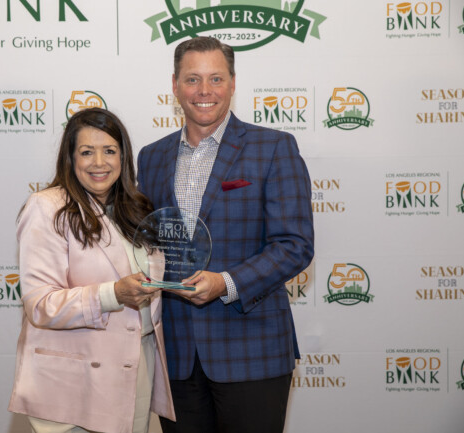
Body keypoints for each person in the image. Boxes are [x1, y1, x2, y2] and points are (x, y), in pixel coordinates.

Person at [137, 37, 314, 433]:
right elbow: (144, 242)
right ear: (174, 84)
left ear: (233, 83)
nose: (204, 91)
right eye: (193, 79)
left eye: (216, 78)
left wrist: (226, 283)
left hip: (252, 348)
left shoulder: (273, 148)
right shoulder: (152, 156)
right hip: (176, 354)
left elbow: (294, 245)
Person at [9, 107, 175, 433]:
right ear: (70, 159)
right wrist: (112, 294)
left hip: (137, 366)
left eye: (110, 151)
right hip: (74, 379)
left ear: (123, 157)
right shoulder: (47, 207)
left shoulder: (136, 208)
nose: (99, 162)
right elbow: (40, 305)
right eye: (87, 152)